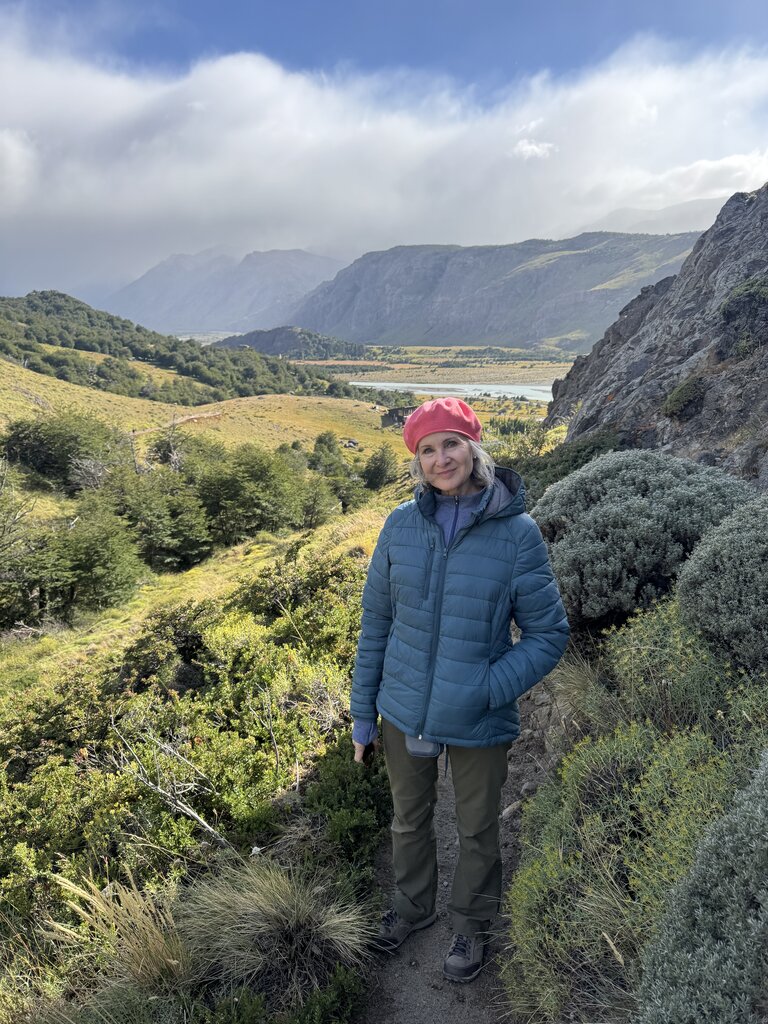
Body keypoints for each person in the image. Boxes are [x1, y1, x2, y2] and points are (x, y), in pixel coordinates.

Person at [350, 396, 569, 983]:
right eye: (427, 449)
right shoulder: (399, 525)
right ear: (416, 460)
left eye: (451, 444)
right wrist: (363, 714)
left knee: (476, 827)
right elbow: (376, 625)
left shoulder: (518, 534)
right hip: (403, 708)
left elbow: (548, 634)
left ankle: (471, 923)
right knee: (408, 819)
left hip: (479, 715)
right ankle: (411, 907)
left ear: (474, 449)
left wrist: (487, 688)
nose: (441, 459)